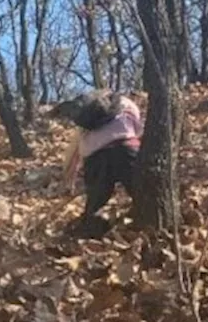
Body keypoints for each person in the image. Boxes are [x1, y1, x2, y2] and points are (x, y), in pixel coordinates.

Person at [57, 90, 143, 238]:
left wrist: (68, 180)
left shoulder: (86, 123)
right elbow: (137, 131)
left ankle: (90, 232)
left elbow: (73, 153)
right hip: (125, 148)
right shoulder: (128, 104)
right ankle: (145, 225)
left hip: (94, 156)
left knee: (96, 202)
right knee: (141, 192)